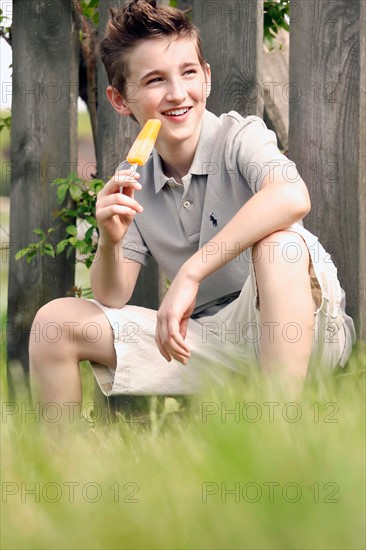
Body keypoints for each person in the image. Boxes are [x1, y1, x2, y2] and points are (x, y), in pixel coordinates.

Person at [29, 0, 356, 411]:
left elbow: (292, 195)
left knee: (280, 246)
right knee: (55, 323)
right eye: (154, 81)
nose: (177, 93)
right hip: (207, 339)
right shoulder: (134, 178)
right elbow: (112, 296)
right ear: (119, 99)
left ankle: (280, 435)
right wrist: (110, 241)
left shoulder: (239, 137)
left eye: (187, 73)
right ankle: (60, 472)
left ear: (206, 77)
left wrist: (190, 272)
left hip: (303, 330)